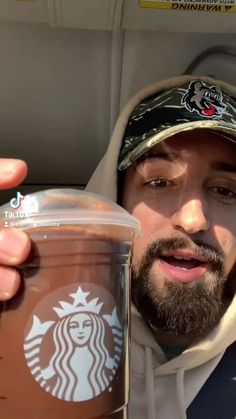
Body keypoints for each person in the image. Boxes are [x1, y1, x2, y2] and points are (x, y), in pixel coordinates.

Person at [0, 75, 236, 419]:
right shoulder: (23, 335)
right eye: (159, 182)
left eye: (226, 191)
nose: (193, 219)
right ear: (115, 204)